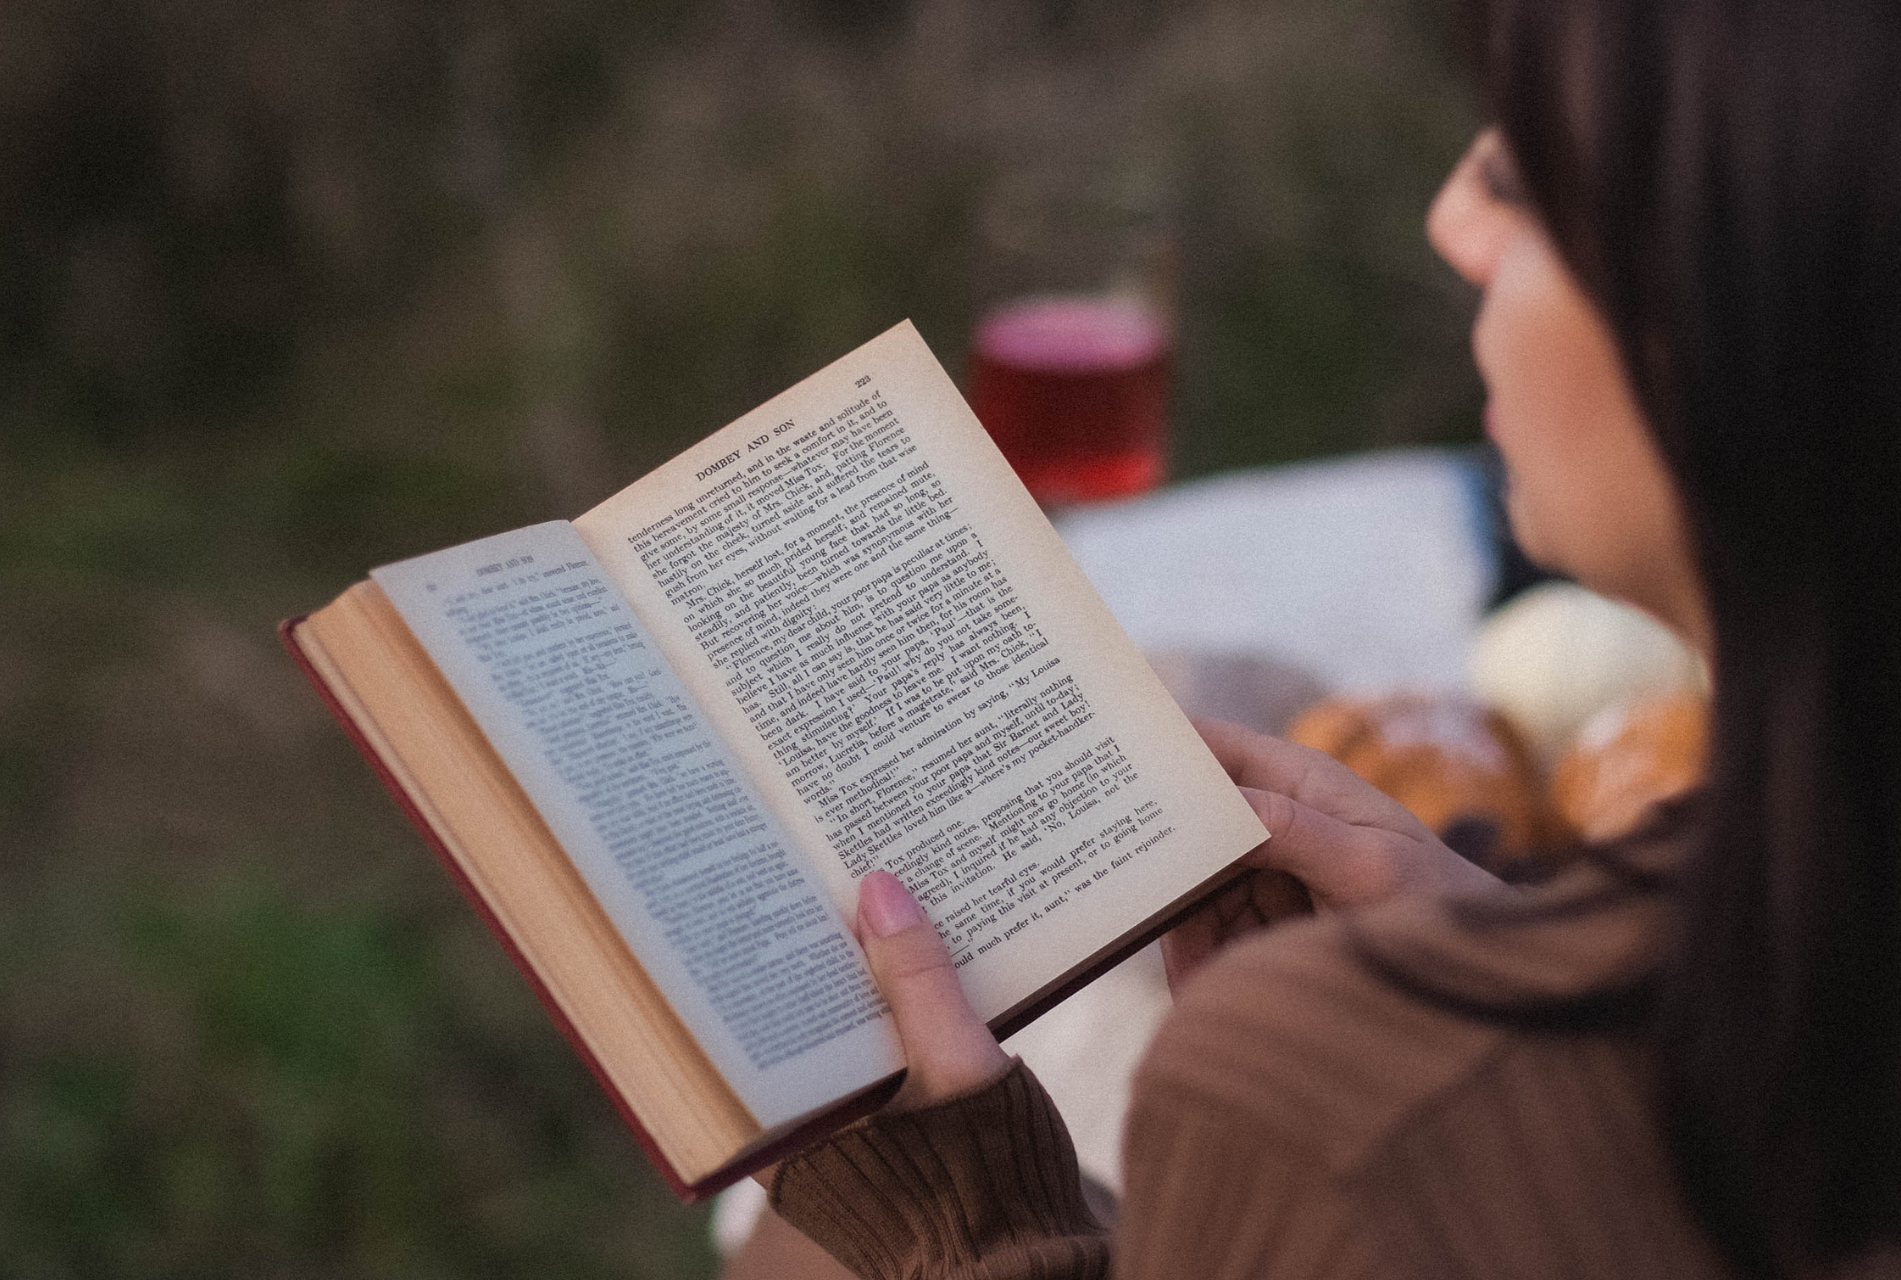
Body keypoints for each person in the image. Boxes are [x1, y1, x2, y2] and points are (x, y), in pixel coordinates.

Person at [724, 0, 1901, 1275]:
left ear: (1786, 293)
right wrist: (1499, 936)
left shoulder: (1311, 1094)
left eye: (1539, 172)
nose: (1455, 217)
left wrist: (955, 1211)